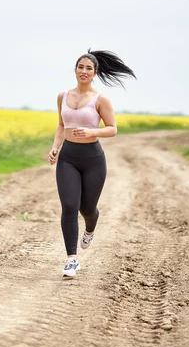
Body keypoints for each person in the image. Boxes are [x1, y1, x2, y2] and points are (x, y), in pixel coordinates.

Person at [48, 49, 136, 278]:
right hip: (68, 158)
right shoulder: (63, 96)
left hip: (92, 159)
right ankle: (71, 259)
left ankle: (90, 228)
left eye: (89, 68)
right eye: (81, 67)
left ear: (95, 73)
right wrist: (56, 147)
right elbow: (61, 125)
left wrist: (91, 131)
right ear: (75, 70)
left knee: (87, 209)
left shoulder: (100, 99)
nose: (84, 71)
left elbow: (113, 129)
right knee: (69, 206)